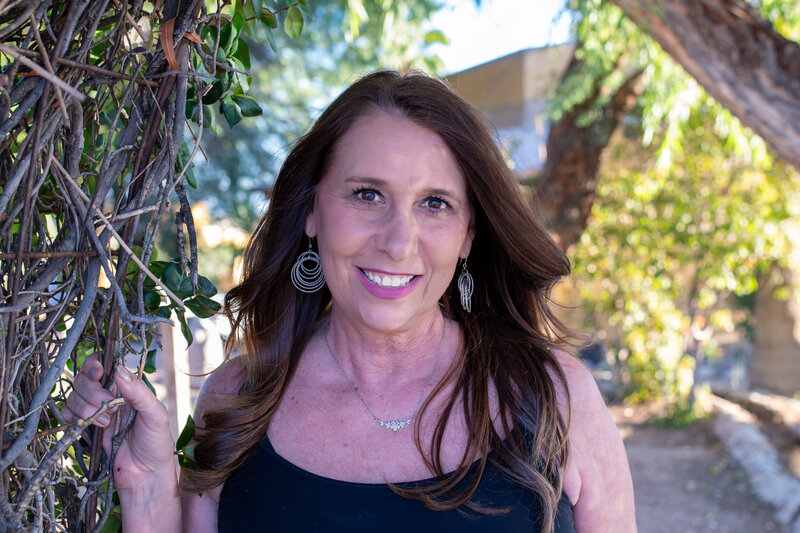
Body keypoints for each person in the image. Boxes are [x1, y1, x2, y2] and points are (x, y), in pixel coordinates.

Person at [65, 70, 636, 532]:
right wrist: (143, 485)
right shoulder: (238, 401)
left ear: (469, 235)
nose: (397, 241)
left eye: (434, 204)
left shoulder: (555, 396)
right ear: (312, 212)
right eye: (368, 194)